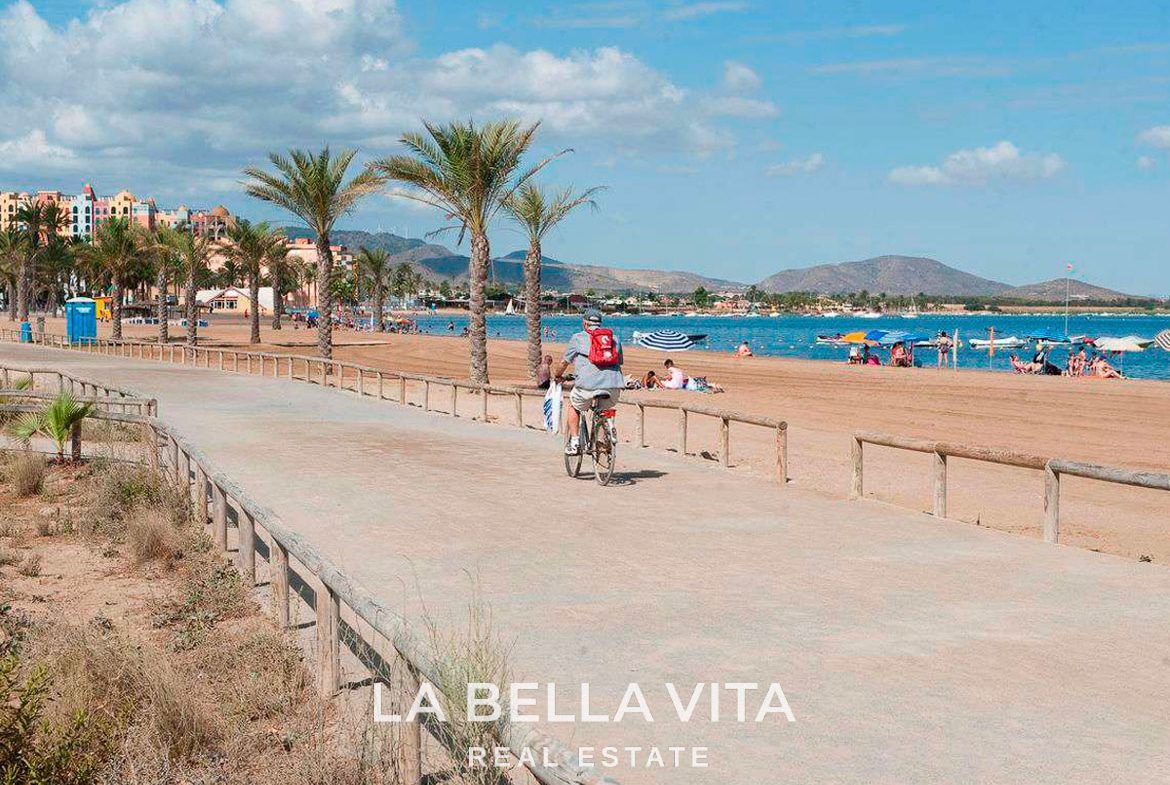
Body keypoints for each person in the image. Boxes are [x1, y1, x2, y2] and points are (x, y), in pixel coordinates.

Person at [554, 309, 624, 454]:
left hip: (587, 386)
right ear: (600, 323)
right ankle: (604, 438)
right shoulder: (614, 338)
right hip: (613, 386)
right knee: (603, 411)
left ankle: (574, 443)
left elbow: (564, 362)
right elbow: (619, 361)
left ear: (585, 323)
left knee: (574, 405)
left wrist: (557, 375)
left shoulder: (578, 337)